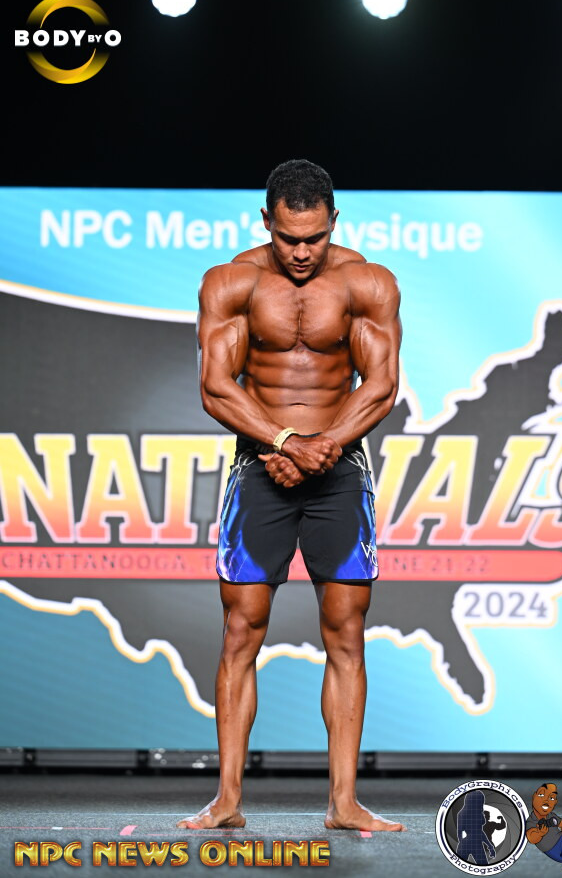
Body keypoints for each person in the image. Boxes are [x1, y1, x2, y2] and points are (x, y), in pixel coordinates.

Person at [177, 159, 403, 832]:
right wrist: (282, 441)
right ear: (265, 223)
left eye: (314, 238)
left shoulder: (367, 282)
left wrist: (321, 445)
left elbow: (381, 384)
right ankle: (227, 800)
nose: (301, 253)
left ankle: (343, 802)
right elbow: (217, 386)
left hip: (339, 470)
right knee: (240, 630)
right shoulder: (232, 282)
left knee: (346, 633)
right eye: (287, 238)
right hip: (260, 470)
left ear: (335, 222)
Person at [526, 783, 562, 873]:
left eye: (551, 798)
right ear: (534, 796)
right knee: (561, 857)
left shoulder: (551, 816)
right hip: (548, 847)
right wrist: (540, 833)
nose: (546, 800)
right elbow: (531, 838)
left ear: (555, 802)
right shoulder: (531, 821)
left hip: (560, 838)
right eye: (541, 794)